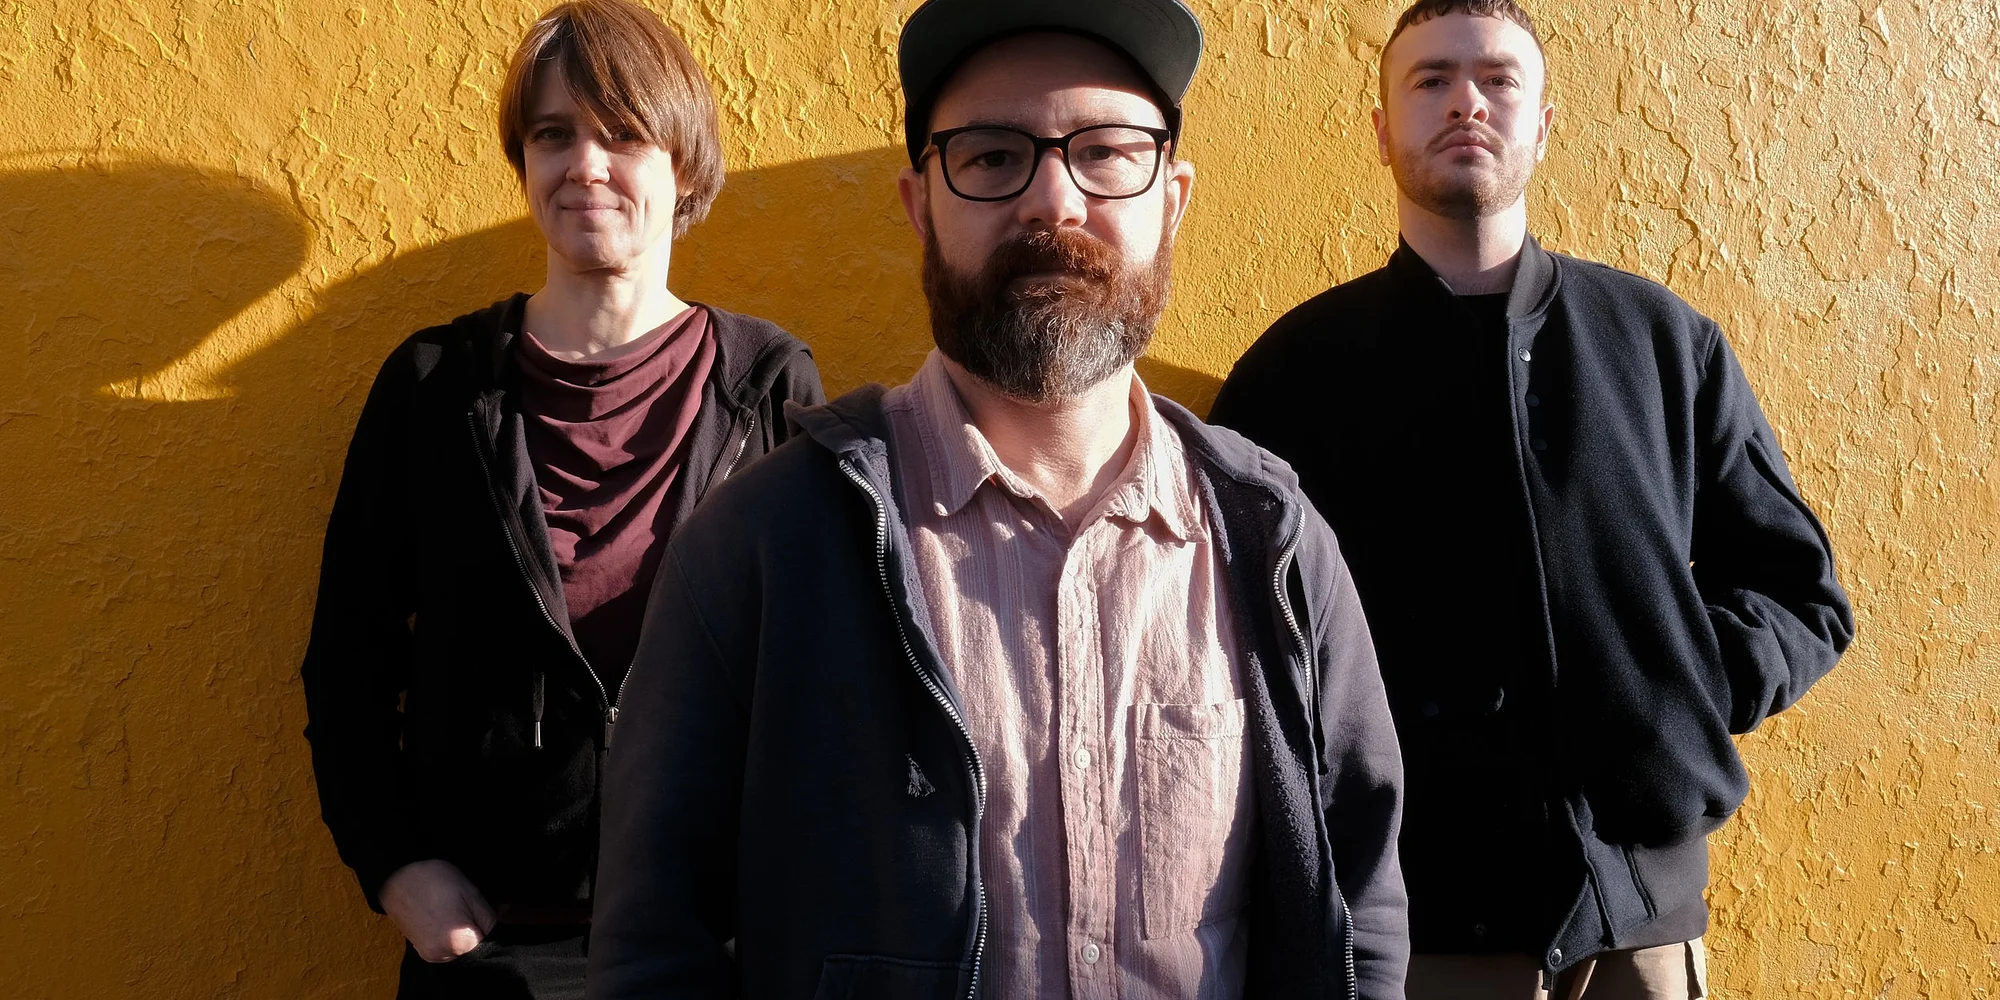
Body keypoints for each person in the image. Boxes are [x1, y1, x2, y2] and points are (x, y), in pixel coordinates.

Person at [586, 2, 1408, 998]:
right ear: (918, 204)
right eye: (990, 156)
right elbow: (651, 949)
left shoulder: (1270, 540)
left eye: (1107, 153)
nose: (1052, 201)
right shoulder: (763, 544)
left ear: (1173, 198)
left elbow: (1356, 917)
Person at [1208, 1, 1855, 997]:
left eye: (1497, 80)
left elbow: (1799, 592)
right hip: (1405, 940)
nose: (1465, 102)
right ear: (1381, 130)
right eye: (1430, 80)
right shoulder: (1291, 376)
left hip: (1636, 934)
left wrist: (1680, 690)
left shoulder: (1663, 343)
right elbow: (1226, 643)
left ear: (1543, 124)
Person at [299, 1, 824, 995]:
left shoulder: (766, 384)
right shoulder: (436, 384)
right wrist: (395, 867)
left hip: (711, 948)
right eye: (553, 135)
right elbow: (347, 659)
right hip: (491, 952)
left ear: (684, 165)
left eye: (622, 134)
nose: (585, 164)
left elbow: (818, 672)